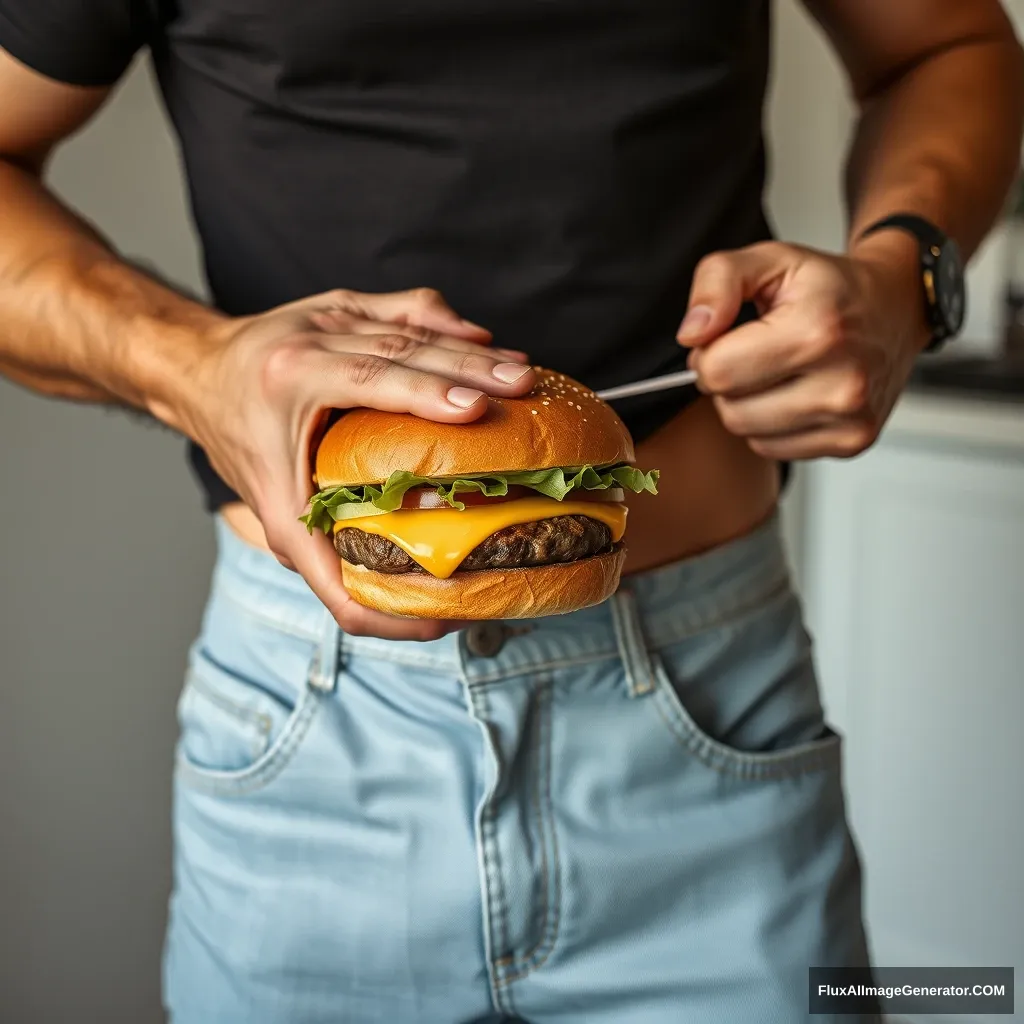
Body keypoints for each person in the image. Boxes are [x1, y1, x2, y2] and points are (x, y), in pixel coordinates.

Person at [0, 0, 1020, 1020]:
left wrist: (902, 278)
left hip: (709, 704)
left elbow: (944, 45)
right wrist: (188, 361)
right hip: (308, 733)